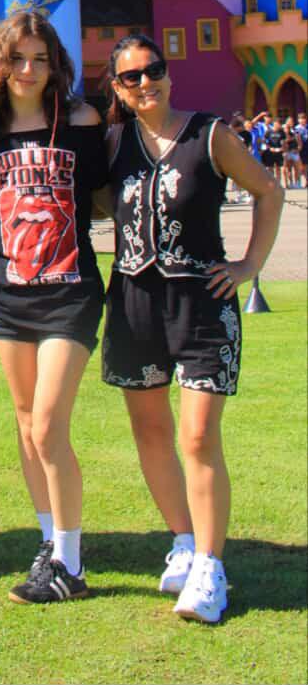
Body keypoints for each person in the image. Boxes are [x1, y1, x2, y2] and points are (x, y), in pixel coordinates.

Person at [101, 33, 284, 624]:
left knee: (199, 437)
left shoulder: (210, 134)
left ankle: (210, 565)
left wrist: (249, 265)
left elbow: (268, 190)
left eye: (153, 70)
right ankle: (181, 540)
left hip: (203, 300)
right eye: (131, 77)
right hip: (133, 296)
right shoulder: (114, 145)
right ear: (119, 89)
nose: (145, 82)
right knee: (150, 430)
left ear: (169, 74)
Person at [0, 13, 107, 603]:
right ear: (0, 65)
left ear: (56, 65)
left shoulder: (80, 119)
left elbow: (103, 197)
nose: (28, 70)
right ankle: (51, 545)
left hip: (70, 289)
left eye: (40, 59)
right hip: (10, 290)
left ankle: (70, 564)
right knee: (26, 424)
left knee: (49, 424)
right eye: (17, 59)